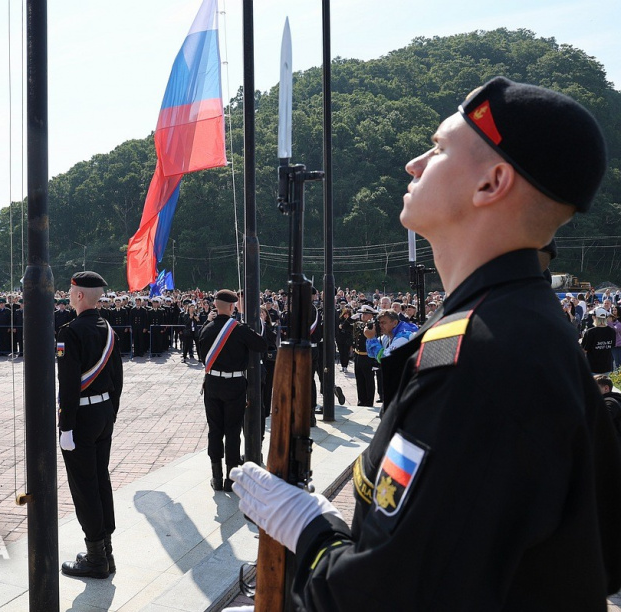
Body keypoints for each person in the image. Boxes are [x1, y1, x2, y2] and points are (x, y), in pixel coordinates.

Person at [229, 77, 621, 610]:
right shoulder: (519, 327)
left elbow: (384, 598)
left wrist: (312, 531)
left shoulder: (482, 358)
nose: (414, 164)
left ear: (492, 183)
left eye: (438, 149)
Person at [57, 271, 124, 579]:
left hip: (81, 419)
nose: (69, 297)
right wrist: (111, 411)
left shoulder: (70, 332)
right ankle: (107, 551)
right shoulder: (108, 329)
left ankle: (96, 557)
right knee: (100, 480)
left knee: (84, 487)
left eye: (71, 292)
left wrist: (66, 425)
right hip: (103, 415)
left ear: (80, 295)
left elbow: (68, 384)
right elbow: (118, 379)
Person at [197, 289, 267, 492]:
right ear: (231, 307)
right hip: (234, 384)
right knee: (233, 431)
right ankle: (231, 478)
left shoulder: (206, 328)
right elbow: (261, 344)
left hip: (211, 384)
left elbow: (202, 356)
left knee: (215, 430)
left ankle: (216, 477)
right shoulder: (238, 328)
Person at [581, 308, 616, 375]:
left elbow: (584, 349)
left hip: (593, 366)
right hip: (607, 365)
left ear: (594, 317)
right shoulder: (612, 331)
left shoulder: (590, 332)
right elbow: (612, 345)